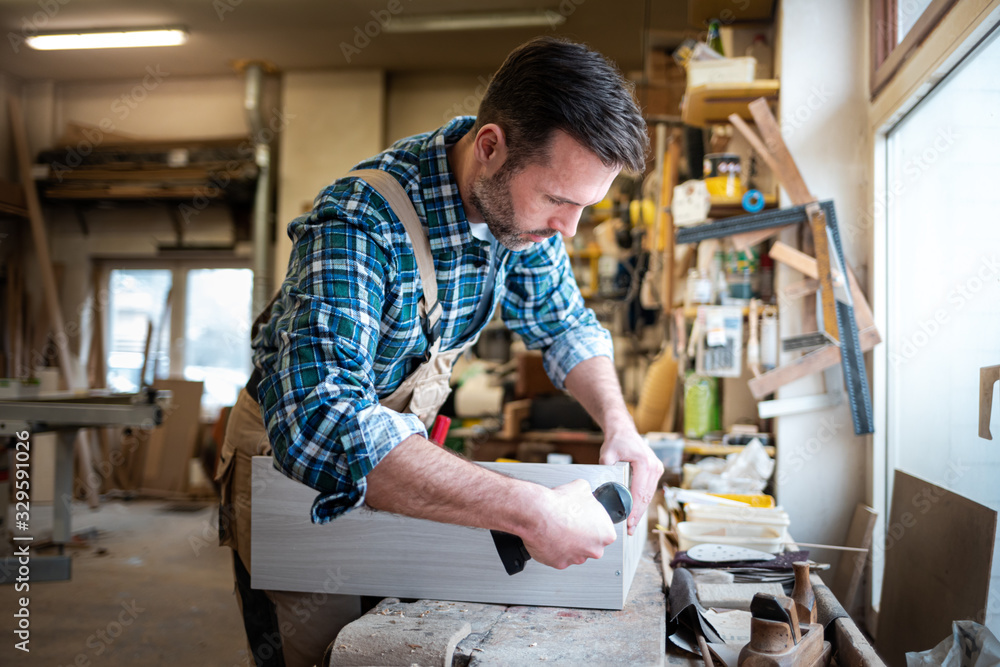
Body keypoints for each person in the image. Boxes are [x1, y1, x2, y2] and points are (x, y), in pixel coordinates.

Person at [216, 36, 664, 667]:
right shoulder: (360, 222)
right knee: (321, 653)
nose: (569, 229)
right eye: (560, 200)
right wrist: (532, 510)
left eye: (585, 207)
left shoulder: (523, 219)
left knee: (398, 644)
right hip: (293, 469)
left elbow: (564, 325)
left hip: (398, 459)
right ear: (490, 148)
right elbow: (322, 420)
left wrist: (620, 426)